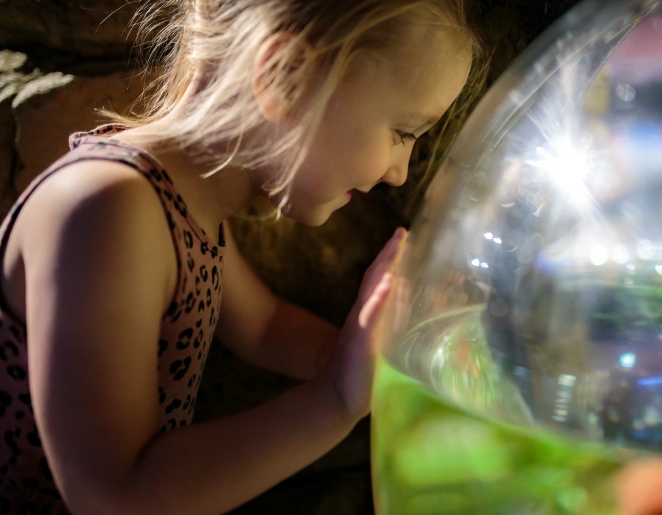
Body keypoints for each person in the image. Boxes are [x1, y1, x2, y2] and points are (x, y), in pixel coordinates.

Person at [0, 0, 483, 511]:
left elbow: (265, 326)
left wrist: (385, 358)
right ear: (283, 76)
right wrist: (334, 401)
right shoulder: (108, 210)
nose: (399, 172)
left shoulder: (172, 205)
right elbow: (113, 496)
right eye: (403, 132)